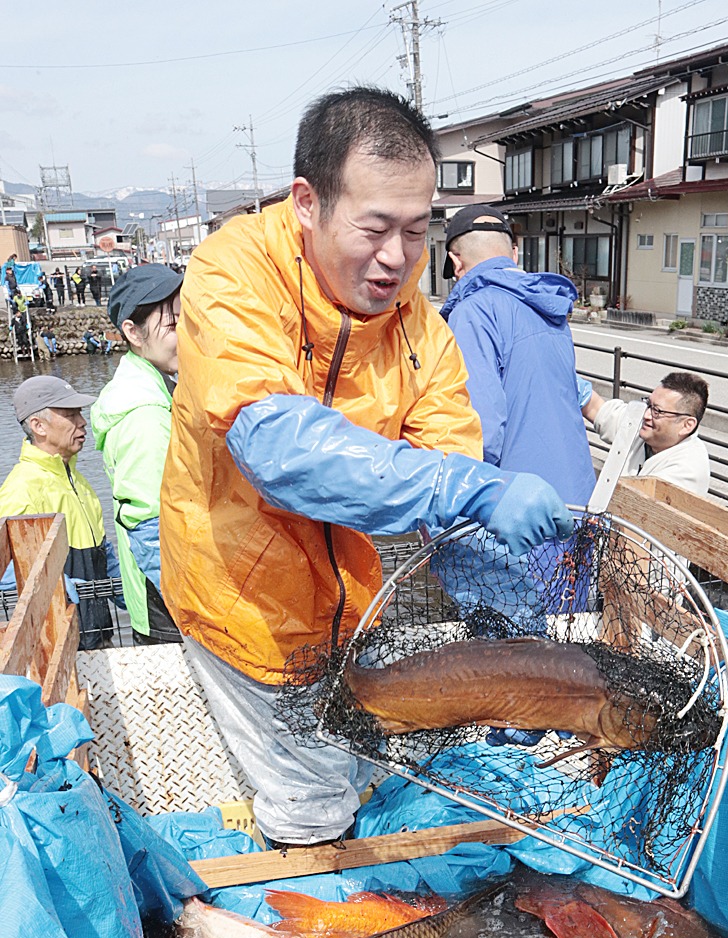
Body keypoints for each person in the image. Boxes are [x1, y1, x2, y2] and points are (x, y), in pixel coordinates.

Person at [161, 85, 573, 849]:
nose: (395, 258)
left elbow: (451, 458)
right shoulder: (232, 275)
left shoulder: (419, 324)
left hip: (351, 600)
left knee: (357, 762)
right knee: (311, 804)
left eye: (416, 232)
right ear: (308, 202)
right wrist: (464, 486)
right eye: (375, 227)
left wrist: (508, 620)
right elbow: (277, 447)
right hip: (240, 595)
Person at [440, 204, 594, 504]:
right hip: (576, 495)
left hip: (519, 509)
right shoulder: (549, 304)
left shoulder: (473, 312)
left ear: (455, 262)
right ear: (514, 254)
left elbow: (481, 430)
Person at [91, 265, 183, 645]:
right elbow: (149, 529)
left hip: (165, 597)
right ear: (132, 332)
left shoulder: (157, 386)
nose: (188, 336)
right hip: (171, 607)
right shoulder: (144, 414)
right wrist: (202, 611)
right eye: (173, 325)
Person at [0, 375, 123, 648]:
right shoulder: (22, 488)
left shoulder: (78, 480)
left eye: (80, 413)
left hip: (97, 631)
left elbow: (103, 552)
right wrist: (55, 586)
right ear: (38, 426)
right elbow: (7, 571)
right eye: (70, 414)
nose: (82, 422)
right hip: (57, 643)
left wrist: (127, 587)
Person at [580, 371, 711, 496]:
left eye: (657, 411)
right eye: (648, 404)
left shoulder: (687, 470)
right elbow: (595, 408)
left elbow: (639, 508)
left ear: (687, 425)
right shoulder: (643, 427)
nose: (646, 414)